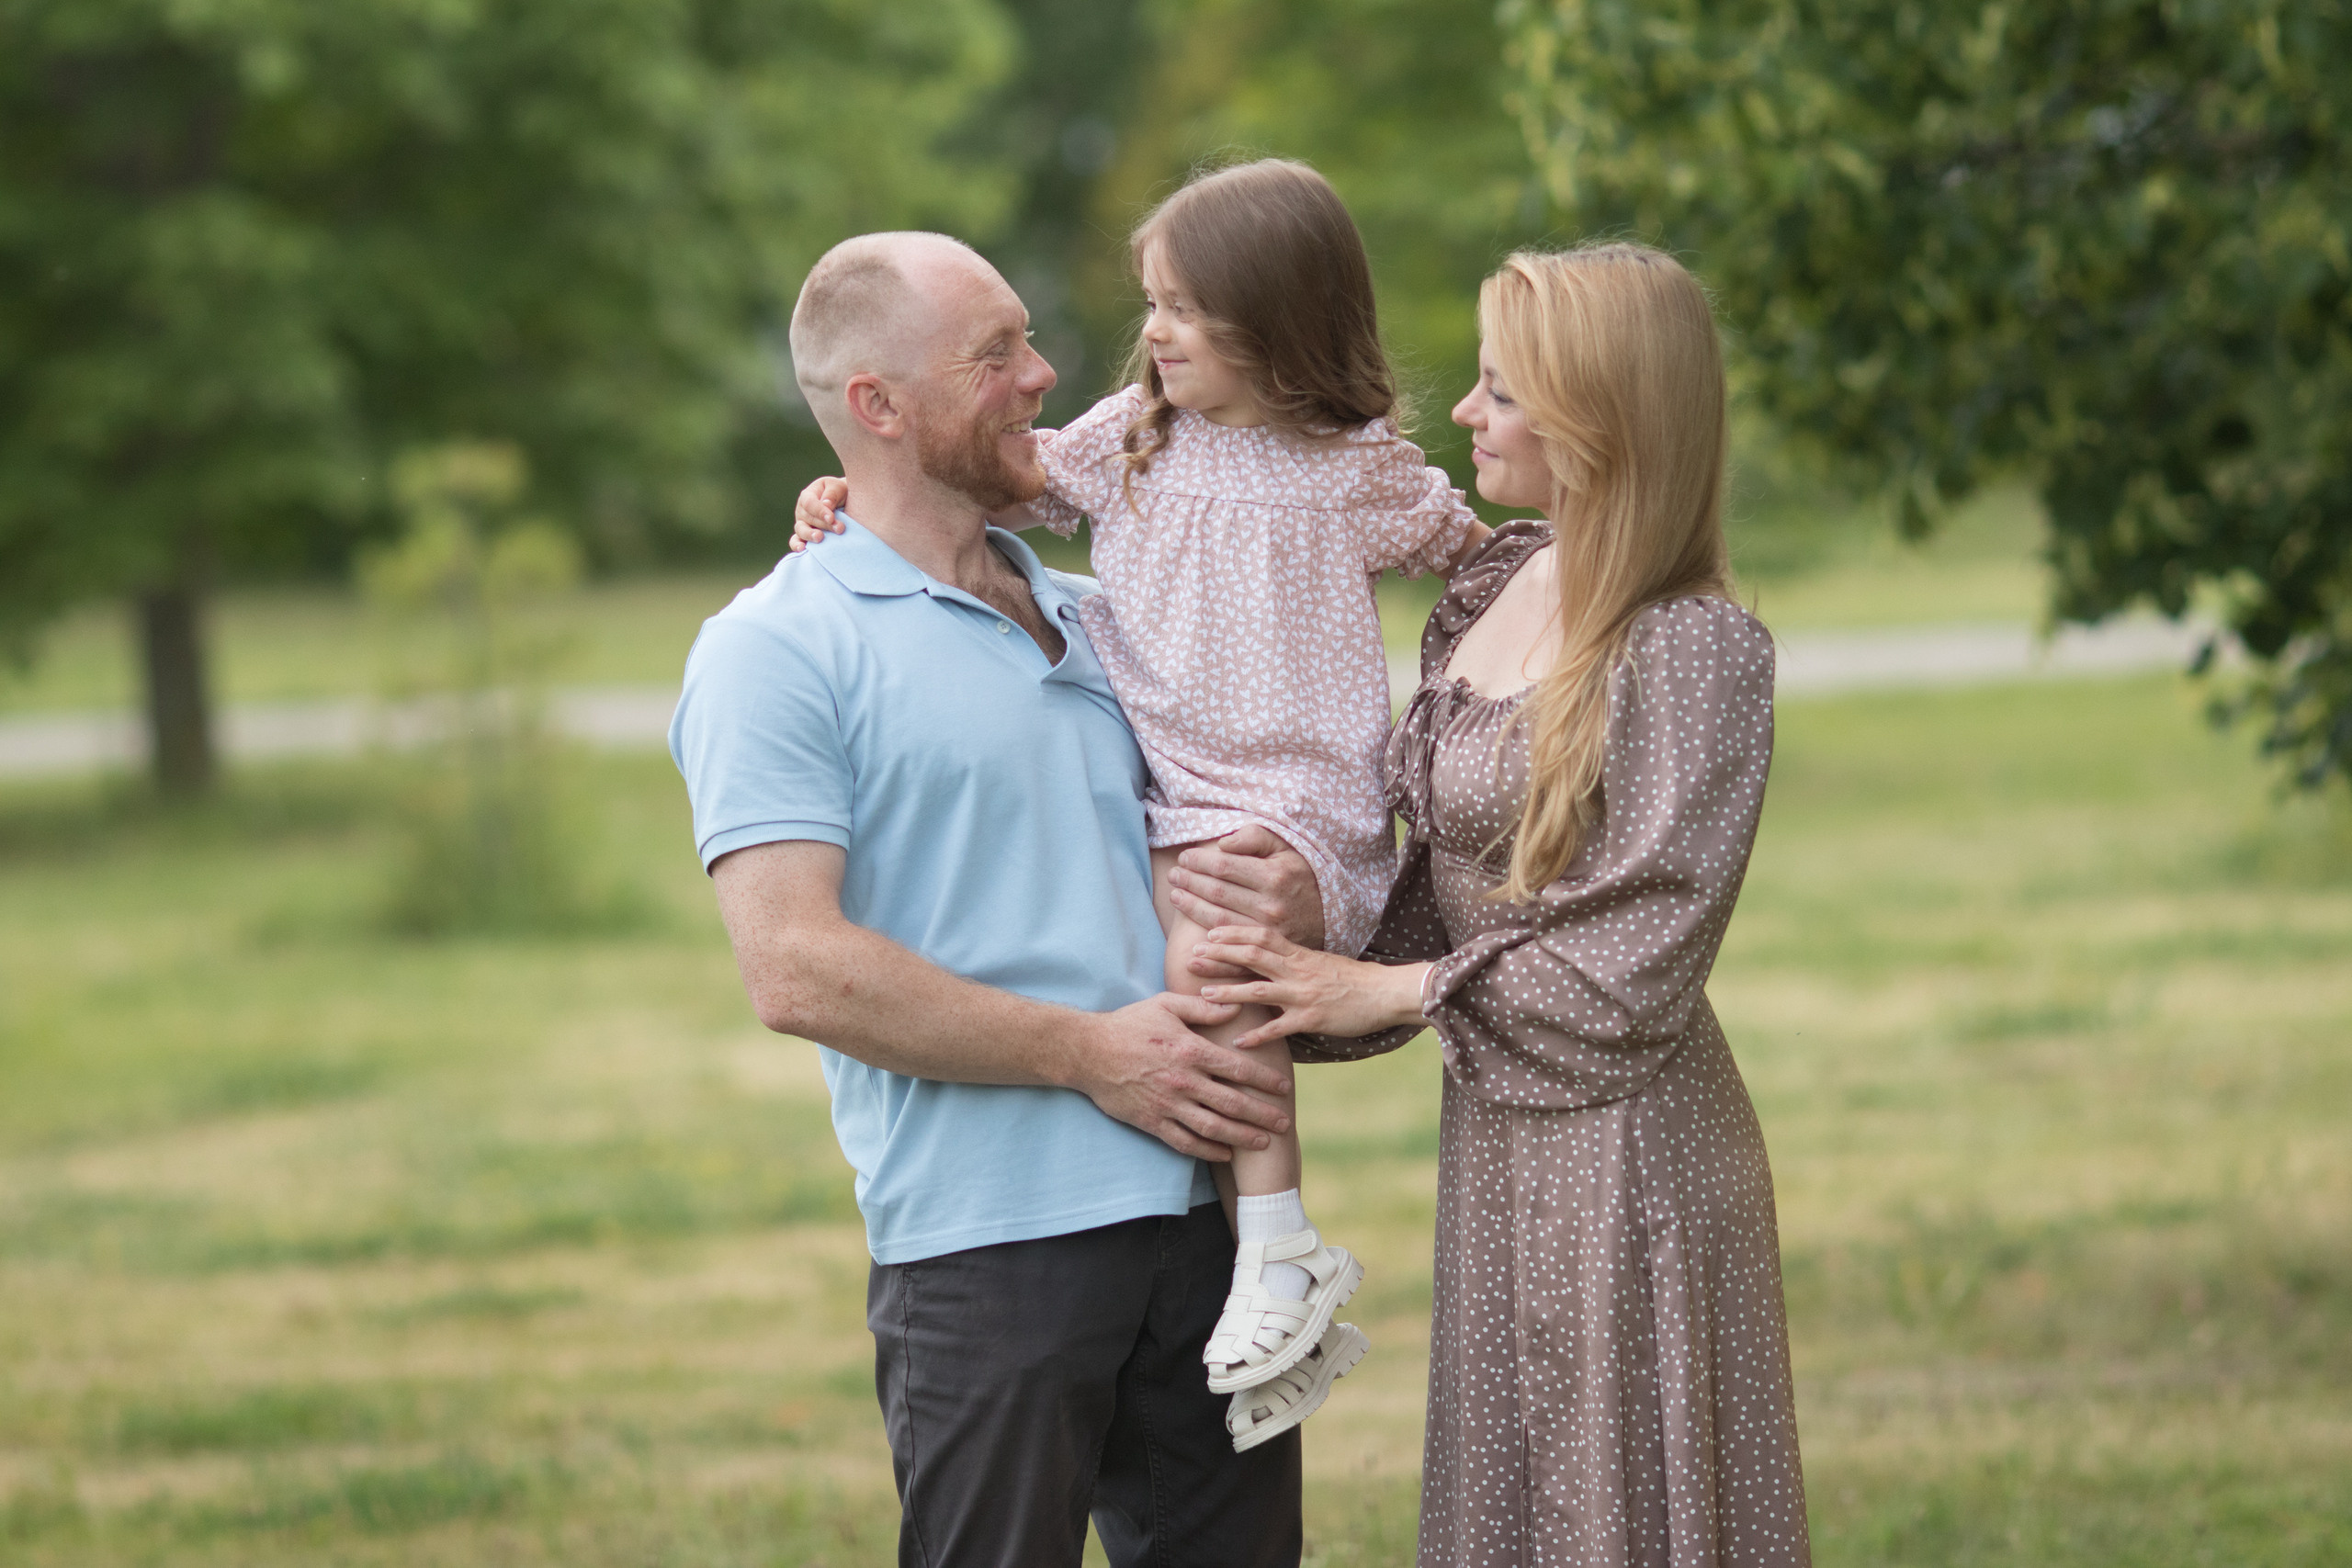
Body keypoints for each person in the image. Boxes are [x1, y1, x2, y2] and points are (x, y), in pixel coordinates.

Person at [672, 230, 1345, 1568]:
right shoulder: (776, 647)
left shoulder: (1111, 616)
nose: (1043, 375)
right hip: (989, 1251)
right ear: (879, 405)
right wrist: (1092, 1054)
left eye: (1030, 340)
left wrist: (1303, 894)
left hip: (1211, 1224)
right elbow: (794, 966)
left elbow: (1246, 824)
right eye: (995, 355)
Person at [794, 159, 1492, 1447]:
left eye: (1185, 310)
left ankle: (1279, 1241)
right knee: (1198, 964)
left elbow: (1481, 562)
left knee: (1213, 956)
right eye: (1153, 304)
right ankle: (1263, 1257)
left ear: (1275, 324)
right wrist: (847, 489)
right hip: (1186, 793)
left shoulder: (1354, 469)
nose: (1154, 333)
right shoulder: (1133, 439)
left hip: (1297, 796)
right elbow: (997, 478)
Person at [1168, 244, 1814, 1566]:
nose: (1465, 412)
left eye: (1502, 392)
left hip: (1630, 1148)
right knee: (1522, 1498)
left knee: (1616, 1508)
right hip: (1502, 1125)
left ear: (1600, 422)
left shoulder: (1690, 647)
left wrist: (1382, 989)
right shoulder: (1506, 577)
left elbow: (1631, 973)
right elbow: (1226, 544)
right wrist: (1313, 915)